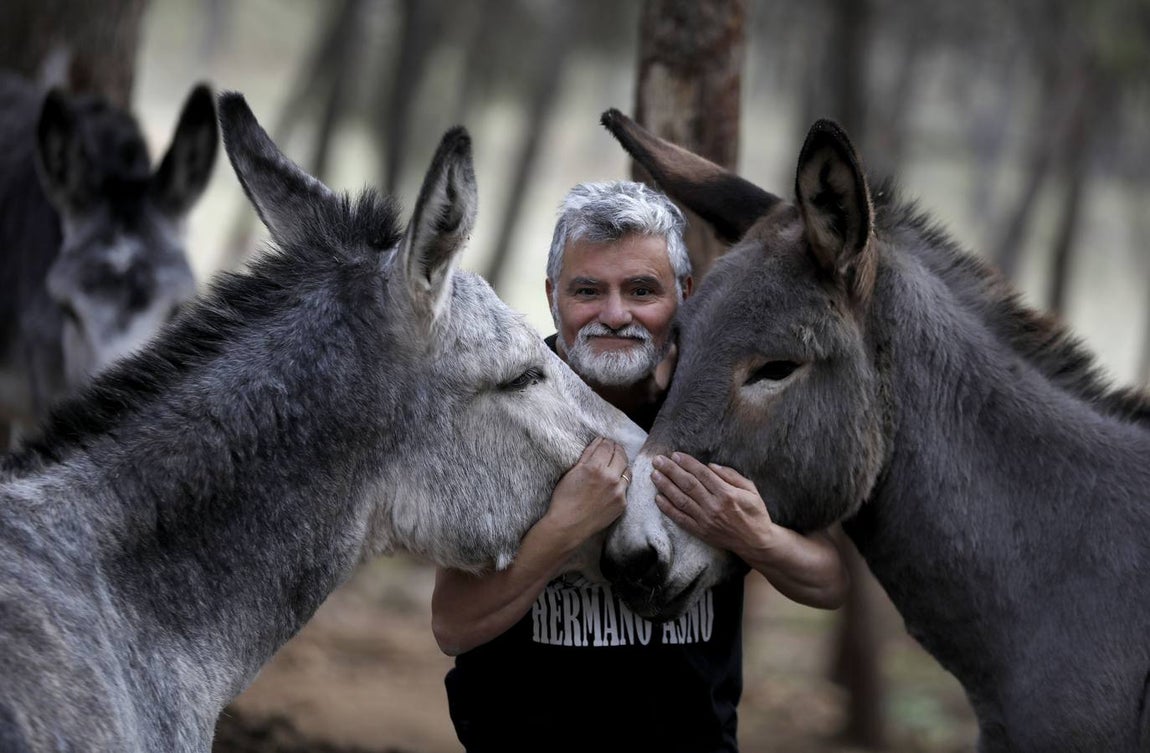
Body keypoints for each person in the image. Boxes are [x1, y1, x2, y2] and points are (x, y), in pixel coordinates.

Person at [432, 181, 849, 753]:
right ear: (552, 294)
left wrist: (755, 536)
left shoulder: (732, 406)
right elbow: (453, 624)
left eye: (642, 290)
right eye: (587, 290)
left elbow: (829, 581)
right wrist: (564, 530)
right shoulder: (505, 408)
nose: (615, 314)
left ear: (684, 293)